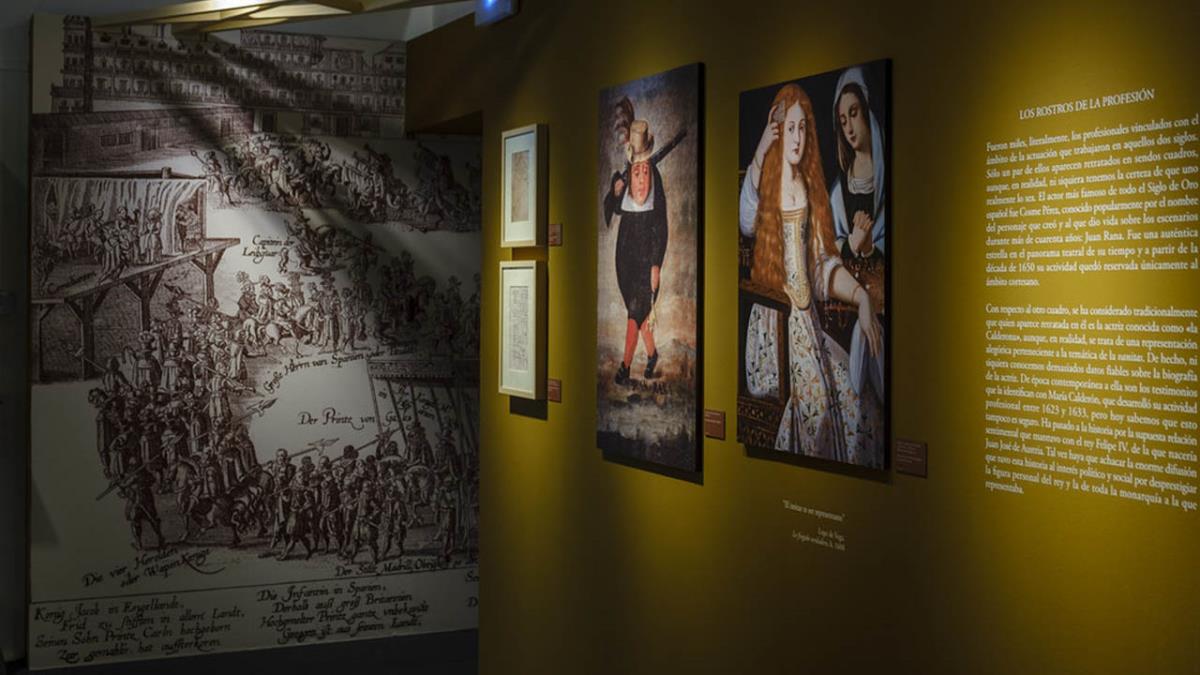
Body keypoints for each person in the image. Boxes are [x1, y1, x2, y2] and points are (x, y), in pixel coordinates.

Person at [739, 83, 884, 468]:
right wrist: (760, 153)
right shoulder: (766, 183)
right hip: (776, 325)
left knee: (860, 403)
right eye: (789, 128)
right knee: (817, 411)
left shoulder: (809, 187)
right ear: (776, 132)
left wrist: (862, 297)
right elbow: (745, 221)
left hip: (807, 322)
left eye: (803, 128)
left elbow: (821, 268)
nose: (797, 138)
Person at [603, 107, 687, 385]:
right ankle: (652, 355)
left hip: (646, 264)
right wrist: (615, 192)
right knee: (640, 313)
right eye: (636, 172)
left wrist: (655, 265)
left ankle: (625, 367)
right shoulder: (623, 183)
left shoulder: (656, 195)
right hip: (625, 262)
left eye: (646, 171)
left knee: (635, 312)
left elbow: (660, 231)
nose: (641, 179)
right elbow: (613, 209)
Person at [828, 67, 887, 399]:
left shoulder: (886, 181)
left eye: (853, 114)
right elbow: (830, 248)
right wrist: (851, 245)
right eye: (842, 120)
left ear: (866, 112)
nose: (849, 127)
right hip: (846, 306)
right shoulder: (840, 189)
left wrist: (868, 250)